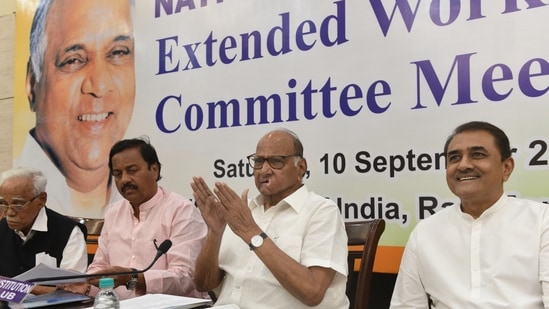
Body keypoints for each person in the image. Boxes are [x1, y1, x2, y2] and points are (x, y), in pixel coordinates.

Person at [390, 121, 549, 308]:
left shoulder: (541, 221)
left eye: (477, 155)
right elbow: (407, 305)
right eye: (454, 158)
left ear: (506, 168)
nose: (463, 165)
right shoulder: (425, 232)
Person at [191, 128, 349, 308]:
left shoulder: (321, 211)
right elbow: (204, 284)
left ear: (301, 167)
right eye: (259, 161)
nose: (264, 170)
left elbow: (312, 292)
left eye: (276, 161)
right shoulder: (242, 212)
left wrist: (251, 232)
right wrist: (215, 233)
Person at [15, 0, 136, 218]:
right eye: (73, 60)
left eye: (118, 52)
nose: (99, 86)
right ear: (32, 84)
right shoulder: (13, 205)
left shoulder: (143, 205)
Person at [65, 137, 208, 300]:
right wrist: (86, 285)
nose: (124, 179)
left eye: (132, 170)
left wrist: (131, 278)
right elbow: (100, 267)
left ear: (155, 170)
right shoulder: (114, 213)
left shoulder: (181, 210)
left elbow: (185, 278)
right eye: (117, 174)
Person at [0, 167, 87, 295]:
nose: (9, 212)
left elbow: (73, 290)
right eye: (3, 203)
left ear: (41, 200)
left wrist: (11, 286)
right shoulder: (1, 228)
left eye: (18, 204)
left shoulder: (68, 232)